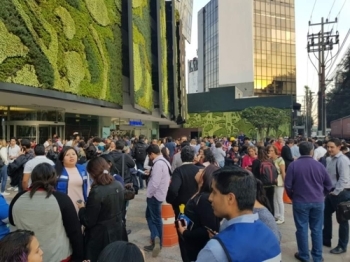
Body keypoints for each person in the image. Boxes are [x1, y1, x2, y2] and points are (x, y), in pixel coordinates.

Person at [196, 167, 281, 262]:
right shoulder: (271, 236)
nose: (210, 198)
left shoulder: (216, 249)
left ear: (230, 198)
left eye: (214, 192)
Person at [9, 163, 84, 262]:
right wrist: (79, 257)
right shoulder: (61, 199)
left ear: (33, 177)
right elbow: (74, 232)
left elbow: (12, 222)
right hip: (58, 255)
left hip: (26, 256)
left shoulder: (17, 198)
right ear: (54, 178)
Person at [285, 142, 333, 261]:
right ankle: (317, 257)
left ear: (299, 151)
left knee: (301, 229)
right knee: (317, 229)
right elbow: (329, 184)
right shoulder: (319, 166)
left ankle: (304, 255)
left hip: (300, 201)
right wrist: (322, 195)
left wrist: (293, 197)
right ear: (311, 151)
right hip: (317, 201)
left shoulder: (293, 165)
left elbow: (288, 185)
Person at [77, 157, 125, 262]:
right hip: (117, 231)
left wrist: (81, 209)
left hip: (100, 237)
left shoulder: (97, 191)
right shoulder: (118, 185)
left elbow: (88, 221)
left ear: (92, 173)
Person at [176, 164, 221, 261]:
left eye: (203, 170)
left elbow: (209, 229)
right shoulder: (199, 193)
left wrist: (185, 232)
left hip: (197, 247)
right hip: (191, 244)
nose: (199, 170)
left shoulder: (205, 199)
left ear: (206, 176)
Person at [166, 146, 200, 262]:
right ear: (193, 156)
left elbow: (173, 190)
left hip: (182, 210)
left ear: (181, 157)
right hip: (197, 209)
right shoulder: (199, 170)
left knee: (183, 237)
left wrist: (171, 201)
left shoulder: (179, 171)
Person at [323, 138, 350, 255]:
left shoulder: (342, 160)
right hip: (331, 192)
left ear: (339, 147)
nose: (329, 149)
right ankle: (326, 239)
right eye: (328, 147)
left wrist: (336, 191)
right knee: (325, 215)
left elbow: (344, 178)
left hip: (341, 193)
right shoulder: (329, 159)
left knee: (342, 221)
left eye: (332, 147)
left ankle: (342, 245)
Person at [143, 144, 171, 257]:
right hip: (160, 194)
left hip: (155, 196)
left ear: (152, 154)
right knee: (151, 217)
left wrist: (149, 195)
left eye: (149, 155)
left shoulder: (158, 164)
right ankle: (156, 239)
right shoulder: (164, 161)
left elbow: (155, 183)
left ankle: (157, 240)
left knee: (155, 219)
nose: (149, 158)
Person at [55, 146, 88, 212]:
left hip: (80, 204)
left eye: (73, 154)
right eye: (67, 155)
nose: (71, 156)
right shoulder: (56, 170)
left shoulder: (82, 169)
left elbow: (87, 187)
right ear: (62, 158)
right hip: (63, 206)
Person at [252, 146, 275, 216]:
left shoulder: (256, 161)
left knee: (261, 201)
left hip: (261, 184)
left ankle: (263, 216)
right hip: (271, 184)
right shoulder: (270, 161)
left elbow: (254, 173)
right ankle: (271, 215)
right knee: (271, 200)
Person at [267, 145, 286, 224]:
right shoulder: (270, 159)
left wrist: (285, 182)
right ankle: (276, 215)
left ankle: (282, 217)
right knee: (275, 199)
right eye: (269, 151)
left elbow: (282, 171)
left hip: (279, 180)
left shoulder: (280, 159)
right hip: (273, 181)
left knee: (279, 199)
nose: (270, 152)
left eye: (272, 150)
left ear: (275, 151)